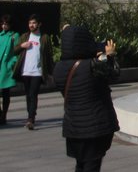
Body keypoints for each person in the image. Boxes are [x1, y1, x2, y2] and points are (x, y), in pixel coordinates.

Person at [54, 26, 120, 172]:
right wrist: (110, 56)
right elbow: (113, 74)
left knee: (81, 163)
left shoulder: (58, 68)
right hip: (94, 126)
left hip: (73, 126)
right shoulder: (91, 66)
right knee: (92, 165)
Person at [14, 13, 54, 130]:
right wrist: (22, 46)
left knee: (33, 94)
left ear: (39, 24)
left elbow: (49, 55)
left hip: (37, 71)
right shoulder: (25, 36)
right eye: (30, 23)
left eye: (34, 23)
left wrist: (51, 72)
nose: (31, 25)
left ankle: (31, 119)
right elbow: (15, 50)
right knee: (28, 95)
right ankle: (30, 115)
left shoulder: (44, 38)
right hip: (25, 71)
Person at [0, 14, 17, 125]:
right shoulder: (0, 36)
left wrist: (11, 64)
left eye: (6, 24)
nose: (4, 26)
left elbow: (16, 52)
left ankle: (4, 115)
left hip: (5, 68)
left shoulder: (14, 36)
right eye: (2, 24)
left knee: (5, 92)